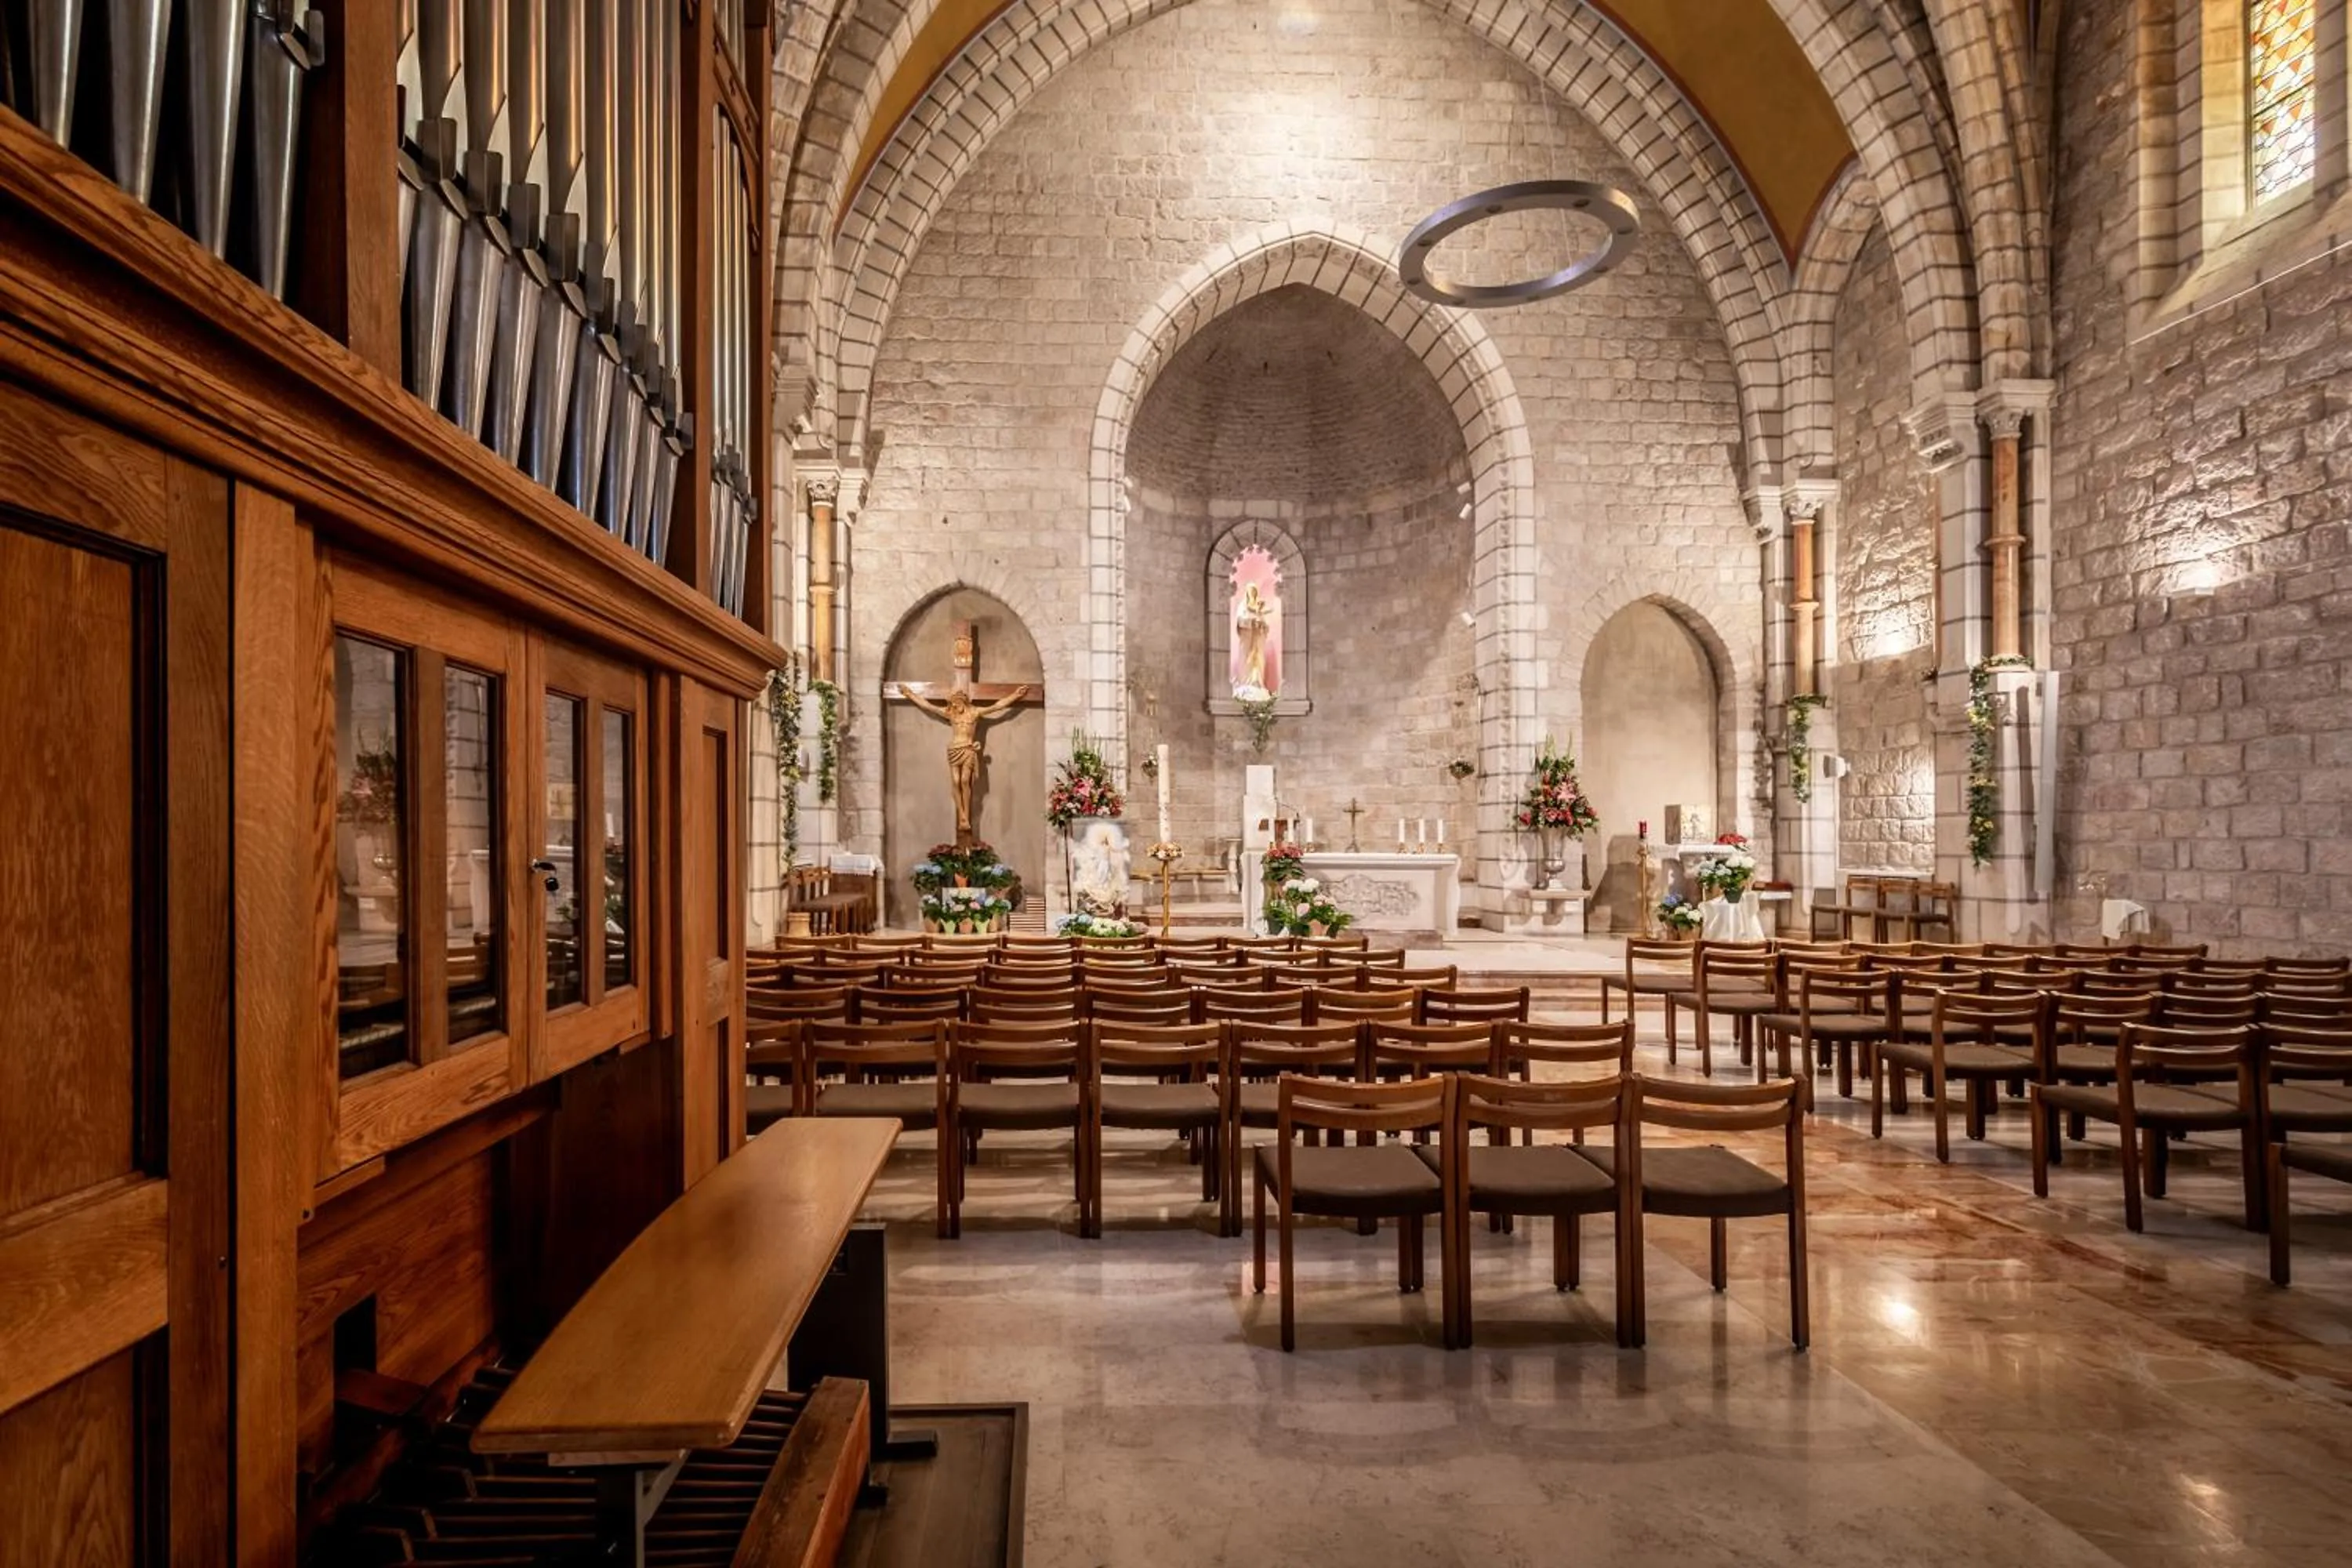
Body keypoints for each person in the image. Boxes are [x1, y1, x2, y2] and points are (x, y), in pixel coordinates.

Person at [899, 683, 1035, 838]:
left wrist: (1016, 696)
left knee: (965, 781)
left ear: (964, 702)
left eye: (958, 703)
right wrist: (910, 694)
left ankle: (965, 815)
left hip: (969, 750)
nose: (957, 707)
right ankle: (962, 815)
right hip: (954, 750)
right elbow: (929, 706)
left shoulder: (975, 713)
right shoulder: (951, 714)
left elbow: (997, 706)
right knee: (956, 782)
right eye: (954, 704)